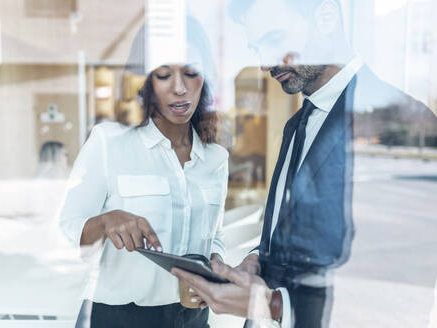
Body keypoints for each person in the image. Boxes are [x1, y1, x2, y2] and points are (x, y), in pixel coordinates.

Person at [173, 0, 437, 327]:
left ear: (325, 16)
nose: (265, 63)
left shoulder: (398, 121)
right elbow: (303, 233)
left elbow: (397, 287)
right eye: (258, 47)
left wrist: (270, 305)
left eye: (275, 39)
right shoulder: (298, 123)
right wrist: (260, 261)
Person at [58, 17, 228, 328]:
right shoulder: (109, 142)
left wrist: (214, 265)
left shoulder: (216, 158)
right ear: (147, 80)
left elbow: (215, 236)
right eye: (164, 74)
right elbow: (68, 229)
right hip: (119, 317)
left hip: (193, 318)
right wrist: (106, 221)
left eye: (191, 72)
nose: (179, 88)